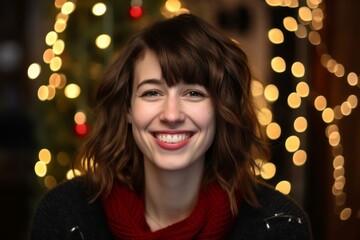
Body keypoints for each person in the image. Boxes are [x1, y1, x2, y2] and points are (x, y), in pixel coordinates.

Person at [30, 13, 312, 239]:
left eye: (194, 93)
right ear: (127, 108)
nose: (172, 114)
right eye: (152, 92)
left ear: (220, 109)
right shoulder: (65, 216)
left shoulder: (278, 226)